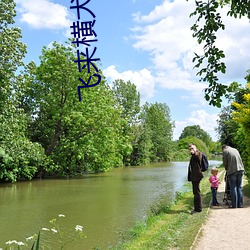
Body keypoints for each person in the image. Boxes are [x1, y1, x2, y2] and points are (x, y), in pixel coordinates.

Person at [188, 143, 204, 214]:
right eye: (190, 149)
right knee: (196, 192)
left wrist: (194, 152)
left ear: (195, 148)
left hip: (196, 176)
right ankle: (197, 208)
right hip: (195, 176)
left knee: (196, 192)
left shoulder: (198, 154)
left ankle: (198, 209)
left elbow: (198, 158)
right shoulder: (194, 155)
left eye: (192, 148)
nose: (191, 150)